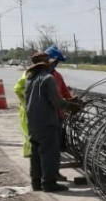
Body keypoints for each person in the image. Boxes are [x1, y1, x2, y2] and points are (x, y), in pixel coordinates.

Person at [23, 52, 75, 192]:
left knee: (36, 154)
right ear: (46, 64)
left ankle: (36, 183)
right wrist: (71, 105)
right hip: (47, 122)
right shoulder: (48, 79)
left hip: (33, 123)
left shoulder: (29, 79)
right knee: (49, 154)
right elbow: (56, 101)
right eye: (50, 62)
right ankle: (49, 183)